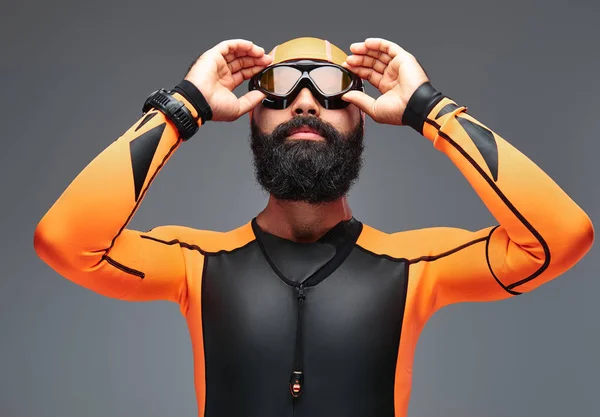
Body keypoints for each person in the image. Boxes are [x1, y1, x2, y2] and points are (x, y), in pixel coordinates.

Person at [33, 36, 594, 417]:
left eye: (331, 89)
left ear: (365, 118)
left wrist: (430, 109)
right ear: (250, 113)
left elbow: (561, 236)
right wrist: (183, 107)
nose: (305, 103)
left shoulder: (417, 268)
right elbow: (65, 242)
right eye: (279, 87)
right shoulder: (195, 263)